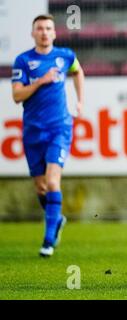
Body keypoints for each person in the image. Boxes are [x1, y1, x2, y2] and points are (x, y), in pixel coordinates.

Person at [11, 14, 84, 257]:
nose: (44, 32)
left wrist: (80, 102)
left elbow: (78, 72)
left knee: (53, 182)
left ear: (54, 33)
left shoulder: (65, 56)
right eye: (40, 28)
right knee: (41, 187)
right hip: (33, 131)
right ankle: (57, 218)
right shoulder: (23, 61)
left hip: (59, 128)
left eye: (48, 28)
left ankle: (48, 239)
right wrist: (41, 81)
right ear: (33, 33)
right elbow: (17, 96)